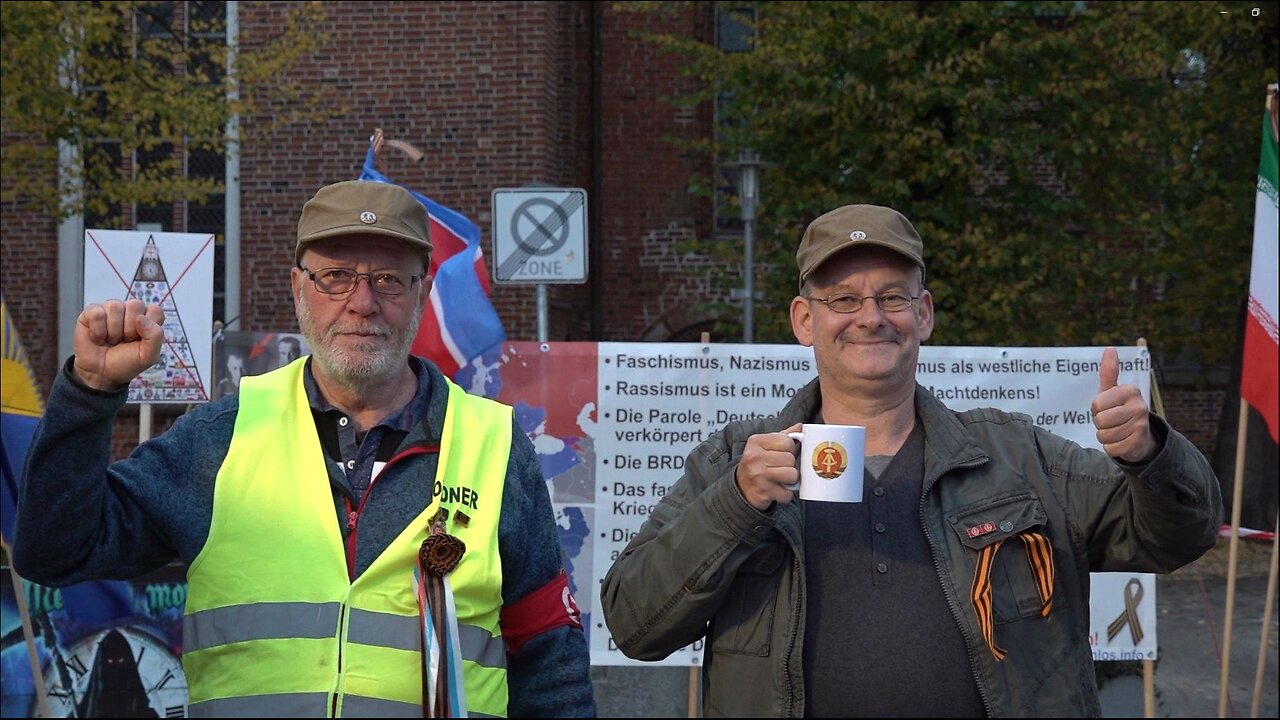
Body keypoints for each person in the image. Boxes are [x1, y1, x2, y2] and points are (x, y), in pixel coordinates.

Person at [600, 204, 1221, 717]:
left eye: (892, 297)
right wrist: (735, 503)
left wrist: (1149, 455)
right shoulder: (736, 464)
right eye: (843, 299)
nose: (871, 317)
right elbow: (634, 622)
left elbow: (1178, 538)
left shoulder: (1018, 458)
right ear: (803, 320)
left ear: (923, 315)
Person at [14, 180, 597, 718]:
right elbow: (55, 551)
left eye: (389, 280)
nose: (363, 302)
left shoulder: (494, 447)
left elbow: (551, 663)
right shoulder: (220, 438)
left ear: (421, 294)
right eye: (335, 276)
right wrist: (90, 393)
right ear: (298, 288)